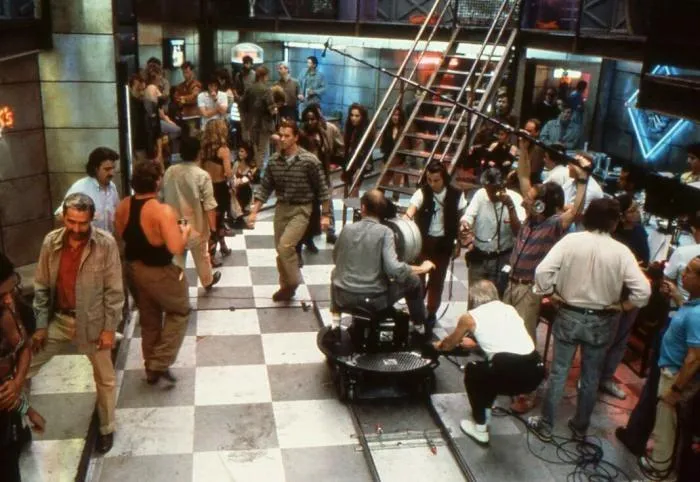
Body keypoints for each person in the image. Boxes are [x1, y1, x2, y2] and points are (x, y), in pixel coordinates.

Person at [528, 198, 651, 441]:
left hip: (569, 312)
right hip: (602, 320)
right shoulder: (621, 251)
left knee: (559, 372)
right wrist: (624, 306)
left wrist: (549, 293)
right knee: (591, 376)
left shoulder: (571, 241)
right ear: (614, 223)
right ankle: (580, 426)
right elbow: (644, 291)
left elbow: (542, 271)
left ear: (587, 218)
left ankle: (546, 424)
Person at [31, 193, 124, 454]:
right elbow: (41, 286)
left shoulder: (105, 244)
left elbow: (114, 292)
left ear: (92, 219)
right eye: (71, 221)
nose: (76, 228)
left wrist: (109, 329)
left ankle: (106, 428)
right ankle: (18, 420)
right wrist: (40, 326)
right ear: (63, 217)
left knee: (105, 379)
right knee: (24, 366)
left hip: (93, 324)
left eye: (83, 223)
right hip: (60, 321)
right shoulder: (51, 242)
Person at [504, 140, 589, 413]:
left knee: (526, 342)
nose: (525, 199)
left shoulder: (553, 225)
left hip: (529, 290)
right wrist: (523, 147)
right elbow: (523, 177)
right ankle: (511, 379)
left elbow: (575, 211)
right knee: (509, 336)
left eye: (531, 199)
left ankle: (527, 391)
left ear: (542, 205)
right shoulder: (530, 220)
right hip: (512, 283)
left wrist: (582, 181)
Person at [433, 280, 544, 444]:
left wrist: (439, 345)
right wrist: (476, 345)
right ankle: (486, 411)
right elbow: (504, 339)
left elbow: (449, 345)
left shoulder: (469, 318)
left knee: (473, 371)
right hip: (535, 373)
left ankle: (480, 429)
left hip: (510, 375)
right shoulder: (509, 309)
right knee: (489, 370)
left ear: (473, 299)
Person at [115, 161, 192, 386]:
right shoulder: (161, 210)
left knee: (149, 320)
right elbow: (176, 247)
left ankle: (151, 368)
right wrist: (185, 231)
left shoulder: (124, 205)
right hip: (158, 271)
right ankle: (159, 362)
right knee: (180, 311)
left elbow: (121, 234)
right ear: (157, 181)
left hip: (132, 270)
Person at [248, 120, 331, 301]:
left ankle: (293, 282)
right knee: (280, 250)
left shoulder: (309, 161)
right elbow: (265, 188)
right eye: (281, 135)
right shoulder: (274, 161)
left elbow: (323, 189)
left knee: (286, 246)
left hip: (302, 208)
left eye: (287, 136)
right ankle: (285, 287)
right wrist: (254, 212)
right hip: (282, 208)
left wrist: (326, 215)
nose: (282, 139)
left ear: (296, 137)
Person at [331, 189, 435, 330]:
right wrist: (422, 268)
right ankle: (419, 327)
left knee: (335, 271)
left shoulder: (347, 229)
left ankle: (335, 322)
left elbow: (336, 258)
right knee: (413, 280)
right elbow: (394, 270)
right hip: (372, 301)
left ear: (363, 208)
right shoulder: (386, 232)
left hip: (342, 298)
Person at [640, 256, 700, 477]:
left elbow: (695, 358)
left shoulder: (697, 314)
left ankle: (659, 473)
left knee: (667, 430)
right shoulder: (693, 305)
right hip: (670, 371)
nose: (684, 274)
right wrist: (676, 296)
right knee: (663, 426)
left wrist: (675, 390)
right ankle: (658, 464)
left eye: (690, 272)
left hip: (675, 376)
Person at [594, 193, 651, 401]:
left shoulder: (640, 232)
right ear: (622, 215)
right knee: (605, 340)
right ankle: (591, 377)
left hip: (631, 295)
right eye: (632, 210)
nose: (637, 213)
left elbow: (645, 260)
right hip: (612, 295)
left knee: (621, 340)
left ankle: (606, 378)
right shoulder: (612, 236)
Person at [404, 162, 467, 334]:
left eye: (436, 180)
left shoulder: (456, 194)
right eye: (429, 180)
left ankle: (431, 313)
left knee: (437, 282)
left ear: (444, 178)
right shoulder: (422, 192)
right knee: (417, 281)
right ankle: (417, 313)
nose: (432, 184)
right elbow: (410, 211)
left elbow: (462, 218)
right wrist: (405, 220)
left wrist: (458, 242)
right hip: (422, 243)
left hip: (443, 244)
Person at [0, 252, 46, 481]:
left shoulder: (5, 313)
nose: (9, 301)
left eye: (12, 291)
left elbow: (23, 347)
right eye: (2, 295)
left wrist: (18, 385)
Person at [162, 136, 222, 290]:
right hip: (196, 225)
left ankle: (176, 285)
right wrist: (213, 229)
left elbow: (162, 196)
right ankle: (207, 281)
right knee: (202, 255)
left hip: (174, 224)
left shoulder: (170, 171)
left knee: (177, 257)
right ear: (199, 153)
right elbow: (209, 205)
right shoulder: (202, 175)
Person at [459, 167, 526, 289]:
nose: (490, 195)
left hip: (502, 258)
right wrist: (465, 224)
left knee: (498, 294)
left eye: (493, 191)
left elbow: (519, 232)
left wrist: (510, 207)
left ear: (502, 186)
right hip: (479, 256)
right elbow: (469, 216)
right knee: (475, 294)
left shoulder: (515, 198)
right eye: (487, 190)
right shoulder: (480, 195)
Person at [300, 104, 343, 245]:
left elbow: (339, 146)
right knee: (309, 207)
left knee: (328, 202)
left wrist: (334, 161)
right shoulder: (301, 134)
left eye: (313, 119)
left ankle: (330, 231)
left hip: (323, 173)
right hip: (307, 175)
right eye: (308, 119)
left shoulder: (327, 130)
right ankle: (308, 236)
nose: (310, 122)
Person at [56, 147, 120, 234]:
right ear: (95, 169)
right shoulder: (81, 187)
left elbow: (117, 214)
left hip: (107, 239)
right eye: (107, 169)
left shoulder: (112, 187)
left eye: (113, 168)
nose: (112, 173)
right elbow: (60, 215)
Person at [200, 119, 234, 263]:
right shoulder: (223, 150)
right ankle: (212, 256)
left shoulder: (203, 149)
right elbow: (228, 173)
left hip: (206, 187)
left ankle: (223, 247)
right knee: (218, 221)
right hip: (220, 189)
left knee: (213, 220)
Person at [144, 63, 181, 158]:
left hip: (155, 119)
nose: (161, 77)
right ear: (156, 75)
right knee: (177, 130)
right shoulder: (152, 88)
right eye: (160, 75)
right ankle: (164, 140)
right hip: (153, 120)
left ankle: (163, 142)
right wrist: (165, 119)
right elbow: (154, 106)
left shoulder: (150, 88)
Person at [343, 103, 374, 196]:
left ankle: (354, 205)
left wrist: (360, 168)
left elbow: (367, 151)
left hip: (360, 162)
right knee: (348, 187)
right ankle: (350, 205)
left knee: (354, 187)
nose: (353, 118)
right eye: (352, 115)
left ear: (362, 117)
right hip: (350, 161)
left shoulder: (366, 131)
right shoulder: (350, 128)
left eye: (357, 116)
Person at [232, 142, 259, 215]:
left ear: (247, 153)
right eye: (239, 151)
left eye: (242, 151)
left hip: (246, 192)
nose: (239, 153)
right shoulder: (236, 163)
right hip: (236, 192)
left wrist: (240, 181)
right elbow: (232, 176)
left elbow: (250, 178)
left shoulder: (252, 165)